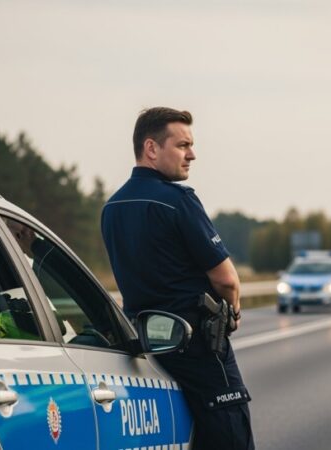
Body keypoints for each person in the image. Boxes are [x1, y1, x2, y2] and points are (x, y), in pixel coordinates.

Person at [101, 107, 254, 450]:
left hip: (144, 344)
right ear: (152, 149)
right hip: (196, 344)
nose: (192, 154)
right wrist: (233, 311)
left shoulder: (112, 207)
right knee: (230, 432)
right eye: (183, 145)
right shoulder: (178, 201)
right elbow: (226, 279)